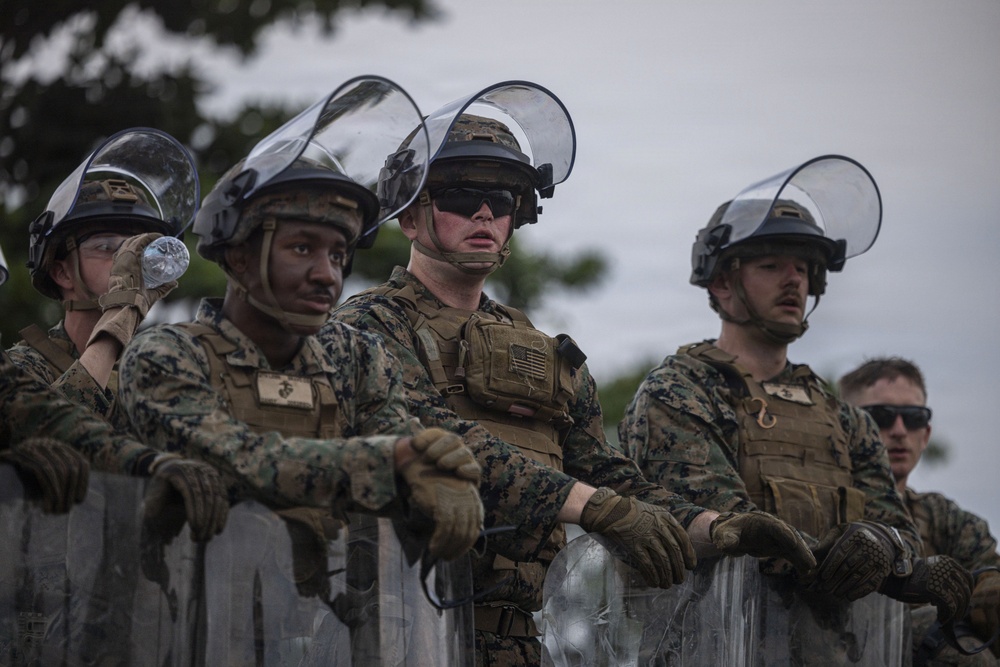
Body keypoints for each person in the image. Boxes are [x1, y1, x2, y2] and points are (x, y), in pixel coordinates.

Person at [332, 81, 816, 667]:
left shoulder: (545, 355)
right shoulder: (366, 326)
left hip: (519, 641)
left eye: (502, 199)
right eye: (460, 196)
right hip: (395, 635)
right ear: (410, 216)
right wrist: (594, 508)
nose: (484, 213)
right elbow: (440, 440)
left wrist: (717, 528)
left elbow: (612, 478)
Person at [117, 77, 483, 567]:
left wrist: (438, 478)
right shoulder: (165, 356)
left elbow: (403, 462)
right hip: (188, 606)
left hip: (318, 613)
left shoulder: (357, 359)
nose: (326, 275)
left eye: (338, 255)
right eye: (302, 248)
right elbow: (237, 459)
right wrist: (395, 460)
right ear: (239, 257)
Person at [619, 156, 973, 648]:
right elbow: (728, 524)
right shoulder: (680, 392)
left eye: (804, 269)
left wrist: (883, 547)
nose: (795, 280)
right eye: (771, 266)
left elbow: (900, 531)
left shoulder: (844, 419)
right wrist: (861, 557)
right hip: (716, 647)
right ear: (722, 282)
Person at [9, 128, 195, 431]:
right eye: (107, 247)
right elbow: (48, 437)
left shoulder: (158, 376)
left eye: (139, 247)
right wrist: (122, 311)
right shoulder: (21, 369)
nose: (128, 259)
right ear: (62, 273)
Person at [840, 357, 1000, 665]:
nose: (899, 430)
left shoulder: (944, 519)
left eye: (914, 418)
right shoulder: (826, 508)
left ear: (925, 435)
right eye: (881, 416)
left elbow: (987, 577)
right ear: (847, 429)